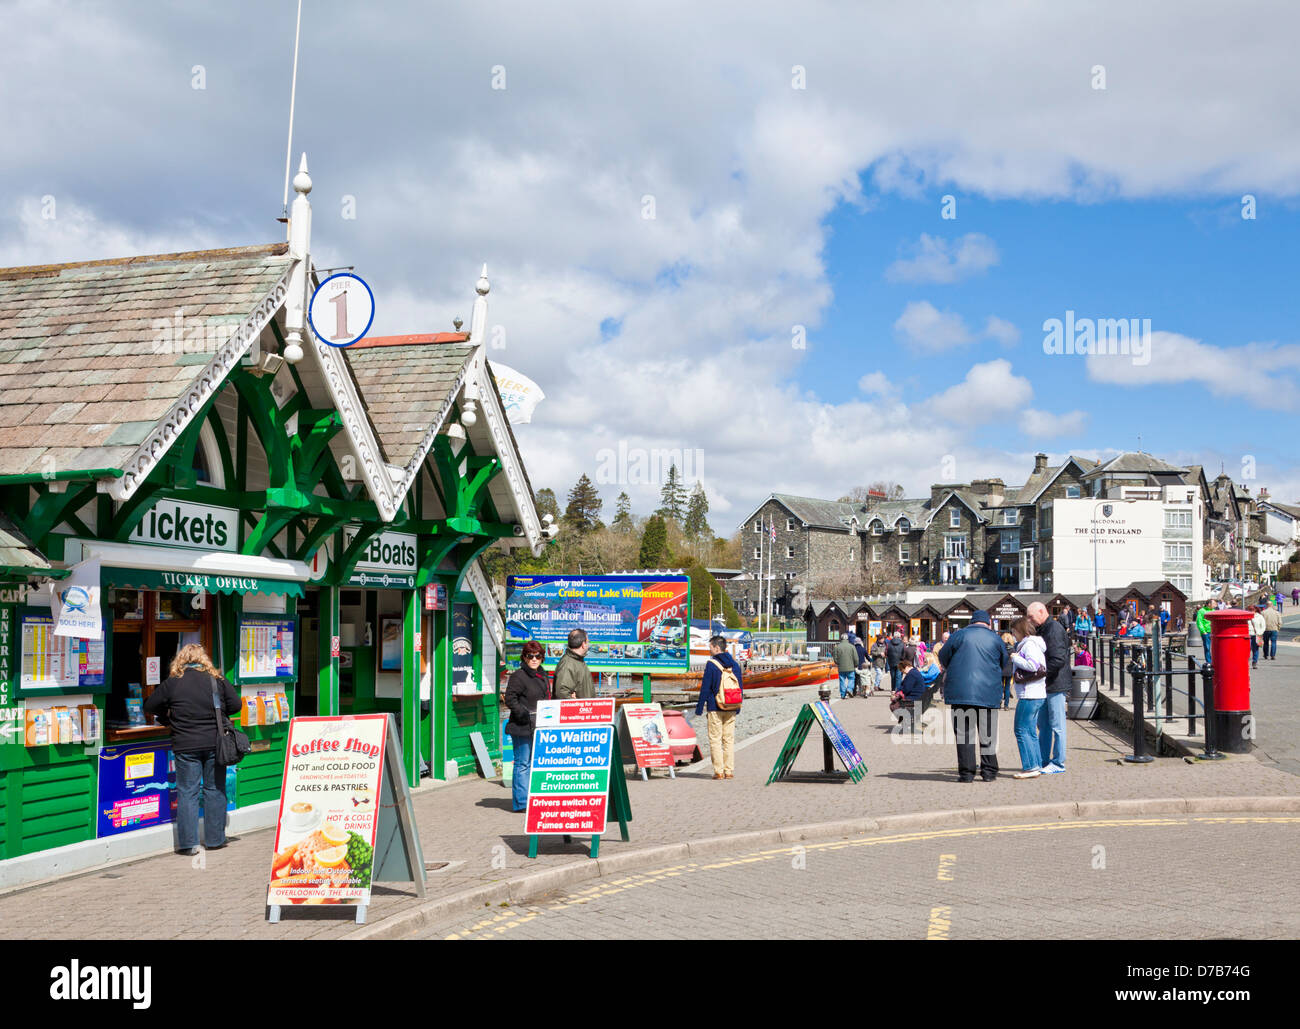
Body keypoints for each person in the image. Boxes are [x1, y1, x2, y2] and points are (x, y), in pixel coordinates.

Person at [142, 643, 240, 856]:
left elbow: (149, 706)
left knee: (188, 792)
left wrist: (168, 716)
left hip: (185, 744)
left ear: (181, 659)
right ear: (204, 658)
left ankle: (188, 845)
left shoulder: (174, 682)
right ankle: (215, 840)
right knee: (215, 789)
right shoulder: (217, 680)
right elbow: (236, 705)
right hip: (215, 743)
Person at [936, 610, 1010, 782]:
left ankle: (967, 774)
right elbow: (1003, 661)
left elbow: (943, 655)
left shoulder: (959, 635)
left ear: (972, 622)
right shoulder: (995, 638)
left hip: (961, 692)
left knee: (964, 735)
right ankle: (989, 772)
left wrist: (954, 666)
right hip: (988, 692)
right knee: (988, 734)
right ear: (988, 623)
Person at [503, 640, 550, 812]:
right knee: (522, 763)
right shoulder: (518, 676)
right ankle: (521, 802)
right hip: (522, 726)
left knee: (534, 763)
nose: (534, 659)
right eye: (530, 656)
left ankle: (533, 798)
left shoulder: (543, 675)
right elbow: (510, 698)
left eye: (538, 656)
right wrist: (522, 713)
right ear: (524, 657)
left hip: (540, 725)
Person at [1027, 600, 1069, 775]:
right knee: (1043, 725)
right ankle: (1044, 760)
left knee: (1057, 725)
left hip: (1055, 684)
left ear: (1042, 612)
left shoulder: (1054, 629)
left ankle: (1058, 762)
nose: (1029, 620)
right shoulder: (1044, 629)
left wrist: (1040, 674)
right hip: (1046, 685)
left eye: (1031, 617)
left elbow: (1058, 659)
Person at [696, 635, 743, 779]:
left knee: (715, 739)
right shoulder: (734, 664)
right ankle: (729, 771)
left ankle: (719, 771)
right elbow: (740, 686)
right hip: (731, 705)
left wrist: (699, 708)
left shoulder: (711, 664)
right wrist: (738, 706)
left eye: (710, 647)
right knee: (728, 739)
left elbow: (705, 688)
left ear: (717, 647)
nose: (709, 649)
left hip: (715, 706)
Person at [1007, 617, 1048, 779]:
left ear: (1020, 631)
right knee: (1030, 731)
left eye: (1014, 632)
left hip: (1029, 694)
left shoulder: (1029, 645)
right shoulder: (1035, 644)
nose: (1013, 635)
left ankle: (1030, 767)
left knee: (1021, 729)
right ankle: (1036, 764)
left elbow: (1033, 666)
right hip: (1037, 694)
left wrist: (1015, 658)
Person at [552, 629, 594, 699]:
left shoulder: (578, 660)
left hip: (585, 708)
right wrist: (575, 702)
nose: (588, 644)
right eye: (588, 641)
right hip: (579, 708)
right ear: (583, 644)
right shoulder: (568, 664)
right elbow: (562, 693)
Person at [893, 655, 927, 733]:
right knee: (896, 703)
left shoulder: (911, 674)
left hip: (914, 698)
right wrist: (897, 692)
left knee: (893, 705)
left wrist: (897, 695)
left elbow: (906, 689)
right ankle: (906, 722)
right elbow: (903, 685)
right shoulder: (913, 672)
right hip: (918, 696)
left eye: (902, 670)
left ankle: (906, 723)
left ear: (907, 667)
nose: (903, 672)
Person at [833, 633, 858, 700]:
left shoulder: (837, 647)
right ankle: (849, 689)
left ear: (841, 638)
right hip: (851, 667)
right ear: (847, 639)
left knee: (842, 680)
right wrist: (856, 664)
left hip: (841, 667)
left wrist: (838, 663)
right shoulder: (852, 646)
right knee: (851, 679)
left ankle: (843, 694)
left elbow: (835, 658)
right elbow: (855, 658)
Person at [999, 631, 1016, 710]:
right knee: (1007, 687)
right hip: (1009, 670)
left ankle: (999, 702)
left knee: (1000, 686)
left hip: (1001, 668)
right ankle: (1006, 705)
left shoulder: (1000, 648)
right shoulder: (1012, 649)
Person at [1195, 599, 1214, 668]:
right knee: (1207, 647)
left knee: (1214, 648)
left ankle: (1214, 661)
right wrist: (1203, 632)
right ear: (1209, 604)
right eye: (1213, 603)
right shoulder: (1201, 611)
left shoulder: (1214, 611)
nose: (1215, 605)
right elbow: (1199, 622)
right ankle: (1209, 662)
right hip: (1206, 632)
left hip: (1214, 632)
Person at [1248, 604, 1266, 669]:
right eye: (1249, 610)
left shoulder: (1260, 617)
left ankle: (1254, 662)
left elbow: (1263, 626)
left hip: (1256, 635)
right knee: (1247, 649)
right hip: (1248, 635)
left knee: (1255, 649)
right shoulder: (1247, 617)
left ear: (1255, 610)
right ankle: (1246, 662)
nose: (1251, 611)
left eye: (1252, 610)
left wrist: (1259, 633)